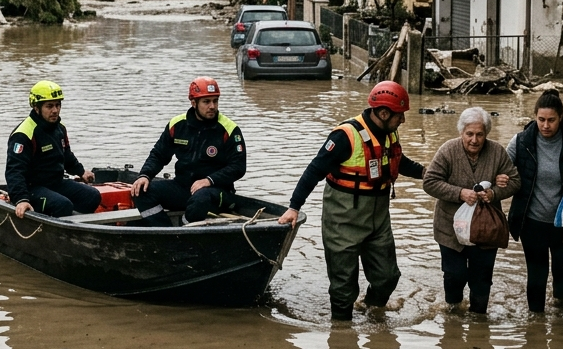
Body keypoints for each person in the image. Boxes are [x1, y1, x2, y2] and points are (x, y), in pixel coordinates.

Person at [278, 81, 425, 321]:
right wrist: (294, 207)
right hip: (343, 218)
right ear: (384, 113)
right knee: (343, 286)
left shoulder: (390, 133)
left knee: (388, 277)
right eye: (400, 115)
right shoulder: (344, 136)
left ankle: (371, 312)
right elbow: (314, 170)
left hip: (378, 219)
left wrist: (426, 172)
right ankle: (341, 332)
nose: (403, 120)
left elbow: (398, 161)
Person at [421, 107, 518, 314]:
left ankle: (479, 321)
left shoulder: (497, 152)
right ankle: (453, 316)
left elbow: (515, 181)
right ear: (461, 132)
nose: (474, 140)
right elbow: (429, 182)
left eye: (480, 134)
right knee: (454, 275)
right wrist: (460, 193)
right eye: (469, 134)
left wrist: (494, 193)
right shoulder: (448, 150)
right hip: (450, 228)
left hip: (486, 228)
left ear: (486, 134)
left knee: (482, 279)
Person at [505, 90, 563, 312]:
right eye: (541, 119)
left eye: (551, 120)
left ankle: (560, 304)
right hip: (532, 221)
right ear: (535, 117)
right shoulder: (521, 141)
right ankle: (536, 323)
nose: (545, 125)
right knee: (536, 275)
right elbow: (503, 167)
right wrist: (501, 179)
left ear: (561, 117)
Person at [130, 77, 247, 226]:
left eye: (215, 101)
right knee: (141, 191)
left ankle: (183, 228)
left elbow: (238, 167)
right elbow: (158, 155)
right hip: (183, 187)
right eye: (206, 102)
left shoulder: (229, 129)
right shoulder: (177, 125)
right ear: (193, 103)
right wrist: (145, 175)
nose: (212, 106)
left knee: (201, 198)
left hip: (217, 192)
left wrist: (209, 180)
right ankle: (166, 232)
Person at [7, 80, 101, 218]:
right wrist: (21, 199)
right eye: (49, 106)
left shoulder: (59, 128)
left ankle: (77, 222)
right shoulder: (23, 134)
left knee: (92, 196)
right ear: (37, 108)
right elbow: (14, 171)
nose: (55, 110)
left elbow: (66, 155)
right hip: (32, 188)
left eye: (58, 105)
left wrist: (81, 171)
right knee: (62, 205)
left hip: (55, 182)